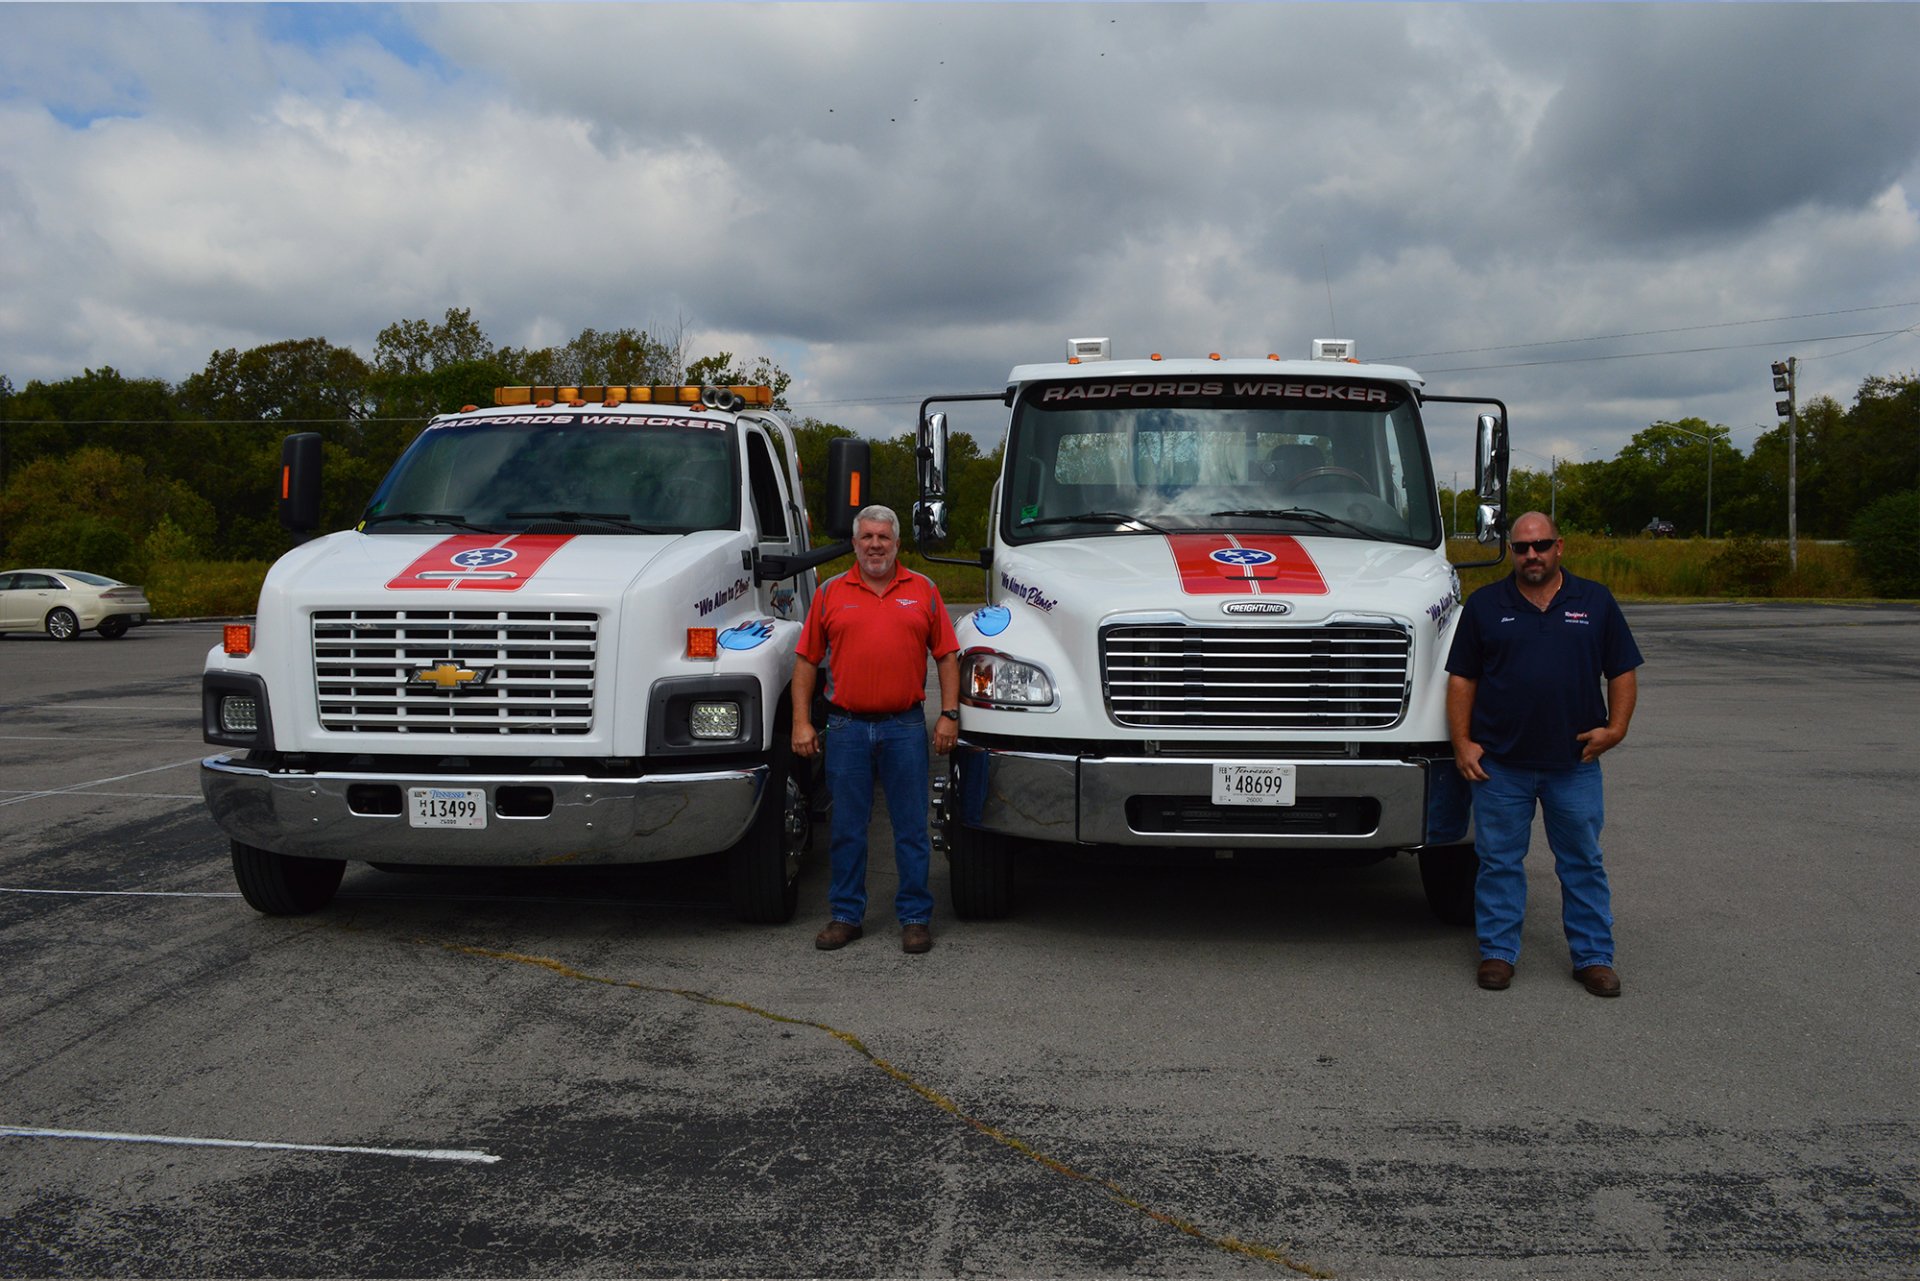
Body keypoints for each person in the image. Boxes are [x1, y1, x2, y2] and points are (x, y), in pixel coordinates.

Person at [1445, 511, 1644, 997]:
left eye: (1541, 545)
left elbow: (1621, 670)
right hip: (1501, 766)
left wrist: (1615, 729)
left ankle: (1594, 957)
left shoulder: (1594, 601)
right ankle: (1497, 953)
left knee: (1581, 862)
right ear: (1511, 552)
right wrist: (1462, 742)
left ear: (1560, 547)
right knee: (1498, 862)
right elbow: (1462, 678)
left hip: (1573, 765)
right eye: (1521, 547)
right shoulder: (1487, 605)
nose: (1531, 555)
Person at [791, 505, 960, 954]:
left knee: (910, 827)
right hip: (846, 728)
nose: (875, 545)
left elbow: (946, 655)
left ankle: (916, 917)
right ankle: (846, 915)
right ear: (854, 542)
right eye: (867, 537)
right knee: (848, 827)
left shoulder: (922, 590)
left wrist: (950, 713)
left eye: (884, 537)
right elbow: (807, 660)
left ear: (897, 543)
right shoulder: (830, 593)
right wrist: (802, 721)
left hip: (904, 727)